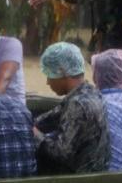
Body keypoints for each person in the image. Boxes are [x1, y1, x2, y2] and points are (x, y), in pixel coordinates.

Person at [33, 42, 109, 174]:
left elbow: (61, 153)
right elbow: (52, 117)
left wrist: (35, 135)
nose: (48, 82)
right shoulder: (91, 93)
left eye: (49, 75)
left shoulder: (78, 104)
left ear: (62, 71)